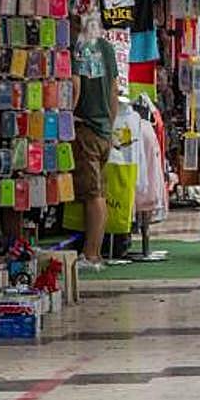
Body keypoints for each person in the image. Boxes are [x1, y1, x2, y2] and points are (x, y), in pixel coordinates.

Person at [73, 19, 119, 270]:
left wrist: (66, 118)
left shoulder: (77, 47)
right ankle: (93, 252)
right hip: (102, 130)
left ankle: (91, 254)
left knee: (92, 194)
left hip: (85, 128)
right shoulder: (107, 47)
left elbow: (75, 87)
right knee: (96, 191)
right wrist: (109, 127)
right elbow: (114, 90)